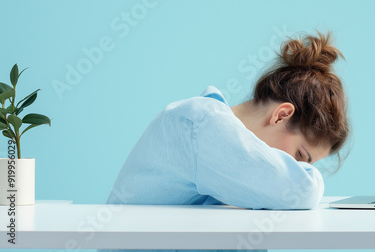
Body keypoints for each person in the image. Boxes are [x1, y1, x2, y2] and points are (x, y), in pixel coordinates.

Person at [96, 30, 350, 252]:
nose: (296, 167)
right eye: (300, 156)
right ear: (281, 115)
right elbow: (302, 189)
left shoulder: (218, 140)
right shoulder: (203, 125)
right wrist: (306, 177)